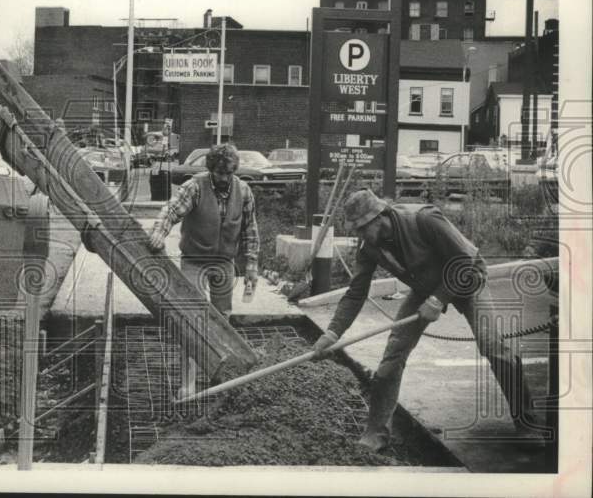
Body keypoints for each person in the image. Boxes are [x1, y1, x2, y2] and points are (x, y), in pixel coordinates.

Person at [312, 188, 542, 451]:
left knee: (493, 347)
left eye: (362, 228)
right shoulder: (370, 248)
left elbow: (463, 260)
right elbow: (355, 294)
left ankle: (528, 421)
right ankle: (376, 432)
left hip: (467, 281)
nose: (360, 236)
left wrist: (438, 299)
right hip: (425, 288)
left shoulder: (424, 219)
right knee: (392, 355)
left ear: (379, 217)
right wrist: (331, 334)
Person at [147, 143, 260, 319]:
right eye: (219, 173)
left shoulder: (244, 191)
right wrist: (158, 234)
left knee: (222, 315)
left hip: (224, 262)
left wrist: (252, 266)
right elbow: (171, 211)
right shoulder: (195, 187)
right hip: (194, 261)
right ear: (211, 169)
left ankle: (218, 347)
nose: (224, 178)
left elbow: (249, 230)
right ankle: (190, 345)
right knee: (192, 311)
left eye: (229, 173)